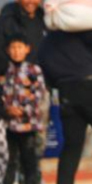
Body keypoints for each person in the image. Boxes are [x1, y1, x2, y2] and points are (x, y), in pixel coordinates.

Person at [39, 20, 92, 184]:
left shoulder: (45, 44)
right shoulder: (77, 32)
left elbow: (46, 76)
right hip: (91, 89)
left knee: (72, 146)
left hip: (66, 93)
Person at [3, 35, 47, 184]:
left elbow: (38, 93)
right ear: (8, 50)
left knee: (30, 162)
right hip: (9, 125)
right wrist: (7, 110)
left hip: (28, 124)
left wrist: (23, 110)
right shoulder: (6, 72)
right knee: (9, 161)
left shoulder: (33, 70)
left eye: (19, 47)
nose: (16, 51)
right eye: (13, 48)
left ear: (27, 49)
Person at [0, 0, 47, 70]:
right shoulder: (7, 20)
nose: (31, 1)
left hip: (41, 76)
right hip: (14, 76)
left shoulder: (45, 20)